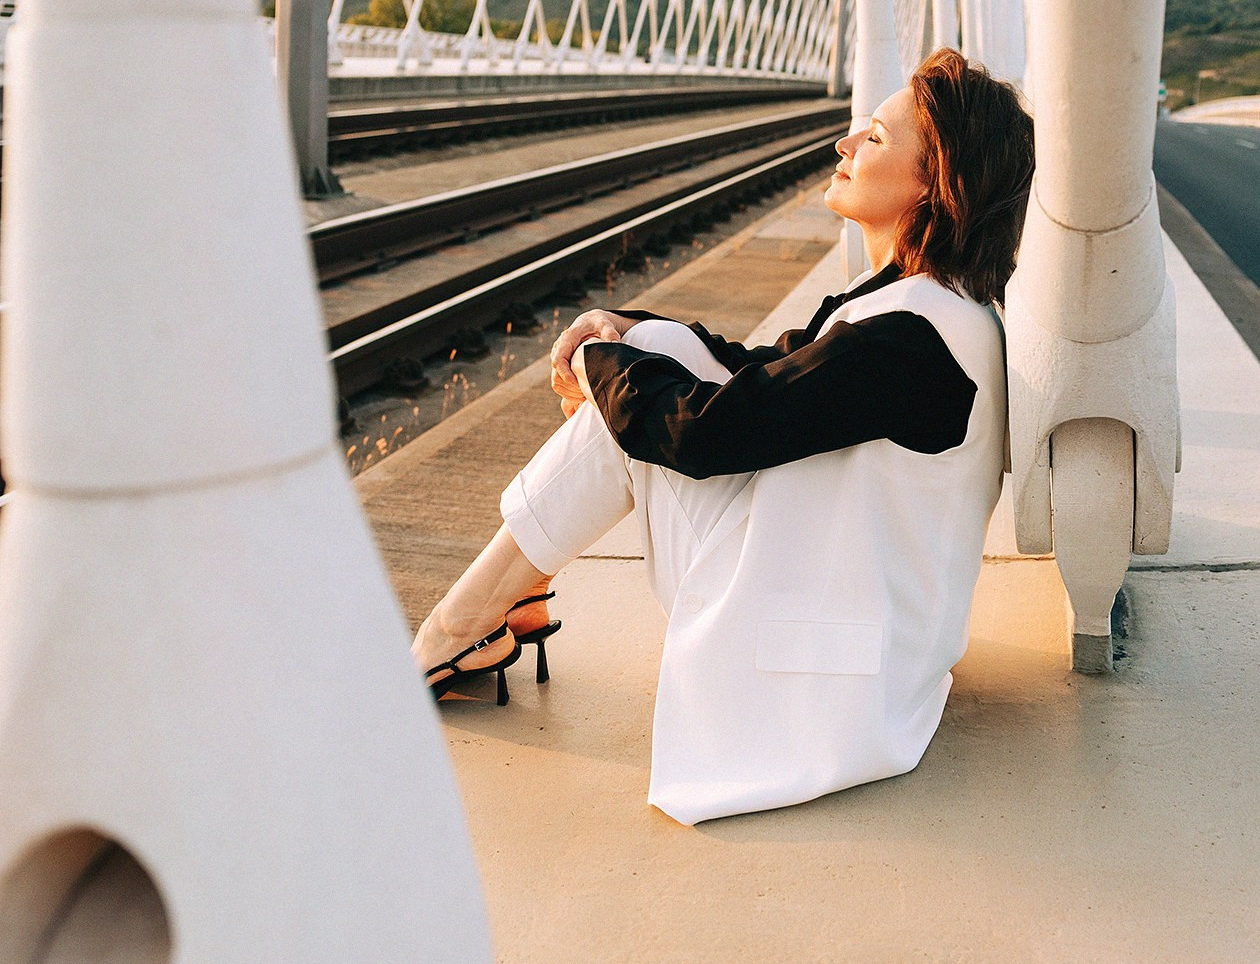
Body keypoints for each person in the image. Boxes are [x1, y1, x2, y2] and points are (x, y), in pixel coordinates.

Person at [412, 48, 1035, 824]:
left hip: (816, 685)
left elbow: (702, 435)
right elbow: (760, 368)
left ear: (933, 185)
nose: (844, 145)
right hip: (865, 646)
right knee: (656, 360)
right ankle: (506, 603)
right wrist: (627, 330)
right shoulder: (933, 311)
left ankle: (463, 626)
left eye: (873, 138)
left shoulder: (908, 340)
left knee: (636, 407)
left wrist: (598, 357)